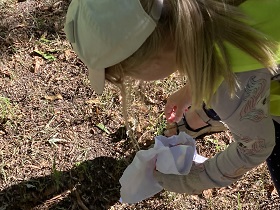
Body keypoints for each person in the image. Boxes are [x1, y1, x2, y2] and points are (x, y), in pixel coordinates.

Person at [64, 0, 280, 196]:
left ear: (153, 59)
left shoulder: (227, 81)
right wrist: (190, 90)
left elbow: (256, 148)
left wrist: (193, 180)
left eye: (129, 74)